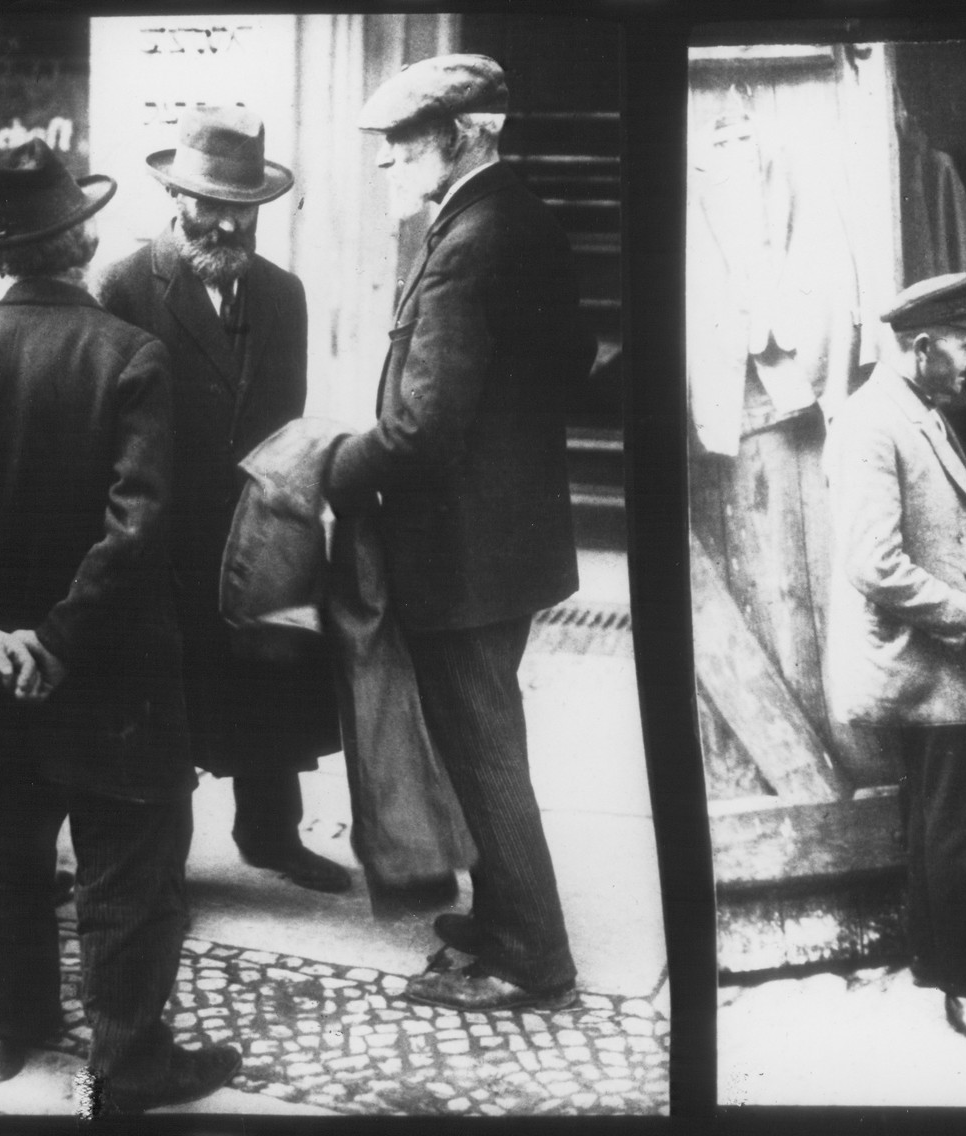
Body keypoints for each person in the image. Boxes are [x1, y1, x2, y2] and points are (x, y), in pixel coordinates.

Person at [0, 140, 240, 1111]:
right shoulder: (131, 355)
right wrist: (63, 640)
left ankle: (5, 1024)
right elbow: (138, 525)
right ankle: (128, 1059)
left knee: (3, 849)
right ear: (83, 240)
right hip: (111, 672)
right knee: (127, 862)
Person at [320, 53, 593, 1012]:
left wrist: (326, 472)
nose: (389, 165)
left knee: (483, 752)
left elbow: (422, 429)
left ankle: (532, 956)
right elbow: (570, 364)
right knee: (485, 743)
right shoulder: (517, 218)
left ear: (467, 134)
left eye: (405, 146)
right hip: (502, 545)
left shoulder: (470, 240)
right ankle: (502, 913)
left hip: (463, 555)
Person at [94, 106, 349, 894]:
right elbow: (106, 417)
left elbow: (286, 415)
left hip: (257, 530)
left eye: (243, 208)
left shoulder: (283, 293)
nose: (228, 224)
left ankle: (271, 837)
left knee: (268, 682)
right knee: (169, 695)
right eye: (211, 205)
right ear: (177, 200)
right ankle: (158, 858)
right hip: (164, 531)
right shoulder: (126, 284)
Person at [823, 272, 966, 1057]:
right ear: (921, 348)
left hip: (936, 659)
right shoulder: (873, 425)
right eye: (963, 342)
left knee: (935, 818)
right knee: (963, 826)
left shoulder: (916, 410)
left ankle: (941, 955)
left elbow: (933, 519)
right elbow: (874, 564)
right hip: (934, 661)